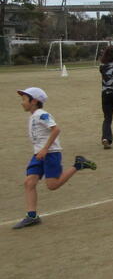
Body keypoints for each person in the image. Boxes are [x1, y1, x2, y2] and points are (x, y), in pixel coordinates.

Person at [13, 87, 97, 229]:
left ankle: (78, 165)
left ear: (34, 101)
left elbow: (56, 129)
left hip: (51, 153)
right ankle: (32, 216)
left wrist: (45, 149)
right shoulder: (33, 115)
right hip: (38, 154)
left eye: (24, 99)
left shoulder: (42, 114)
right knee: (29, 182)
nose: (22, 102)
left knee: (52, 185)